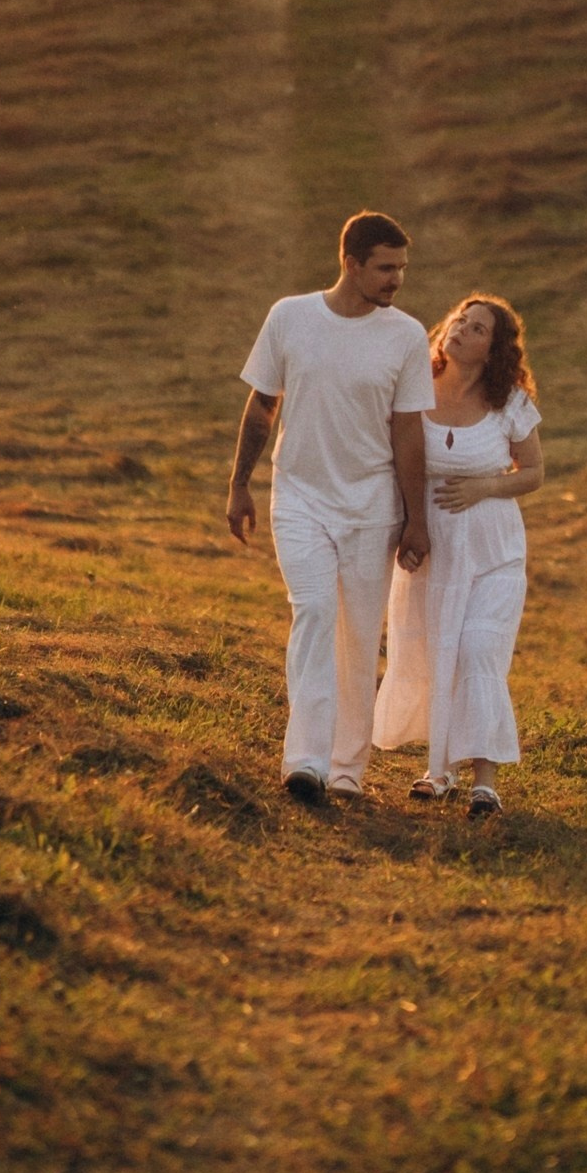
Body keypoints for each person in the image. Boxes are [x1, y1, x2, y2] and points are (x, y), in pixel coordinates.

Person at [228, 212, 434, 805]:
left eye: (402, 268)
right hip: (300, 495)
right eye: (385, 268)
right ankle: (306, 761)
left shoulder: (406, 336)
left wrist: (416, 519)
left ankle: (347, 768)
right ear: (350, 263)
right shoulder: (290, 316)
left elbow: (408, 431)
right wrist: (239, 484)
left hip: (372, 507)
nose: (396, 279)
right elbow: (262, 405)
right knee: (314, 612)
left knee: (359, 637)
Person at [373, 293, 544, 817]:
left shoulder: (509, 402)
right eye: (459, 321)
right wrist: (405, 529)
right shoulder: (413, 386)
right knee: (436, 653)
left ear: (494, 350)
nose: (460, 330)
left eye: (477, 329)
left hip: (494, 551)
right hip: (433, 547)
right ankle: (439, 769)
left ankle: (485, 784)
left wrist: (484, 486)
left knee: (478, 653)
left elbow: (534, 472)